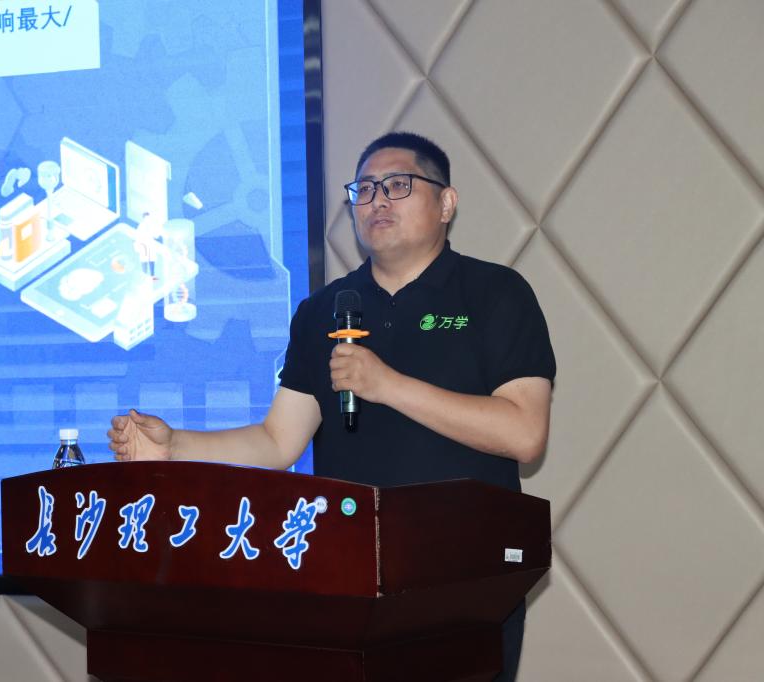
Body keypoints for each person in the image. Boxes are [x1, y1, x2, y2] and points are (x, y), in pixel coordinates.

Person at [108, 131, 555, 681]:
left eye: (397, 185)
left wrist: (386, 384)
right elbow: (277, 442)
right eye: (363, 190)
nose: (377, 201)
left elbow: (524, 433)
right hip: (351, 581)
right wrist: (175, 446)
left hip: (467, 580)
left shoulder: (494, 293)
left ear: (446, 203)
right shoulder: (323, 311)